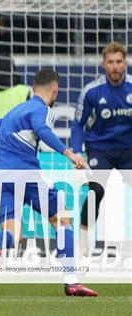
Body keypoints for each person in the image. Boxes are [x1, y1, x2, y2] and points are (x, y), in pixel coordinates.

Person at [0, 69, 98, 297]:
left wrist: (1, 161)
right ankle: (71, 281)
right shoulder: (41, 109)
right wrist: (69, 153)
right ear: (56, 90)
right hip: (26, 175)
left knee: (13, 235)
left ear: (33, 88)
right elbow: (42, 130)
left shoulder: (14, 112)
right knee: (62, 219)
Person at [71, 42, 132, 255]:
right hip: (100, 149)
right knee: (96, 190)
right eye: (111, 62)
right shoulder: (92, 91)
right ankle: (84, 239)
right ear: (103, 64)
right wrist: (77, 152)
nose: (115, 66)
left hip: (128, 151)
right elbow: (78, 124)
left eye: (119, 62)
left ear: (125, 63)